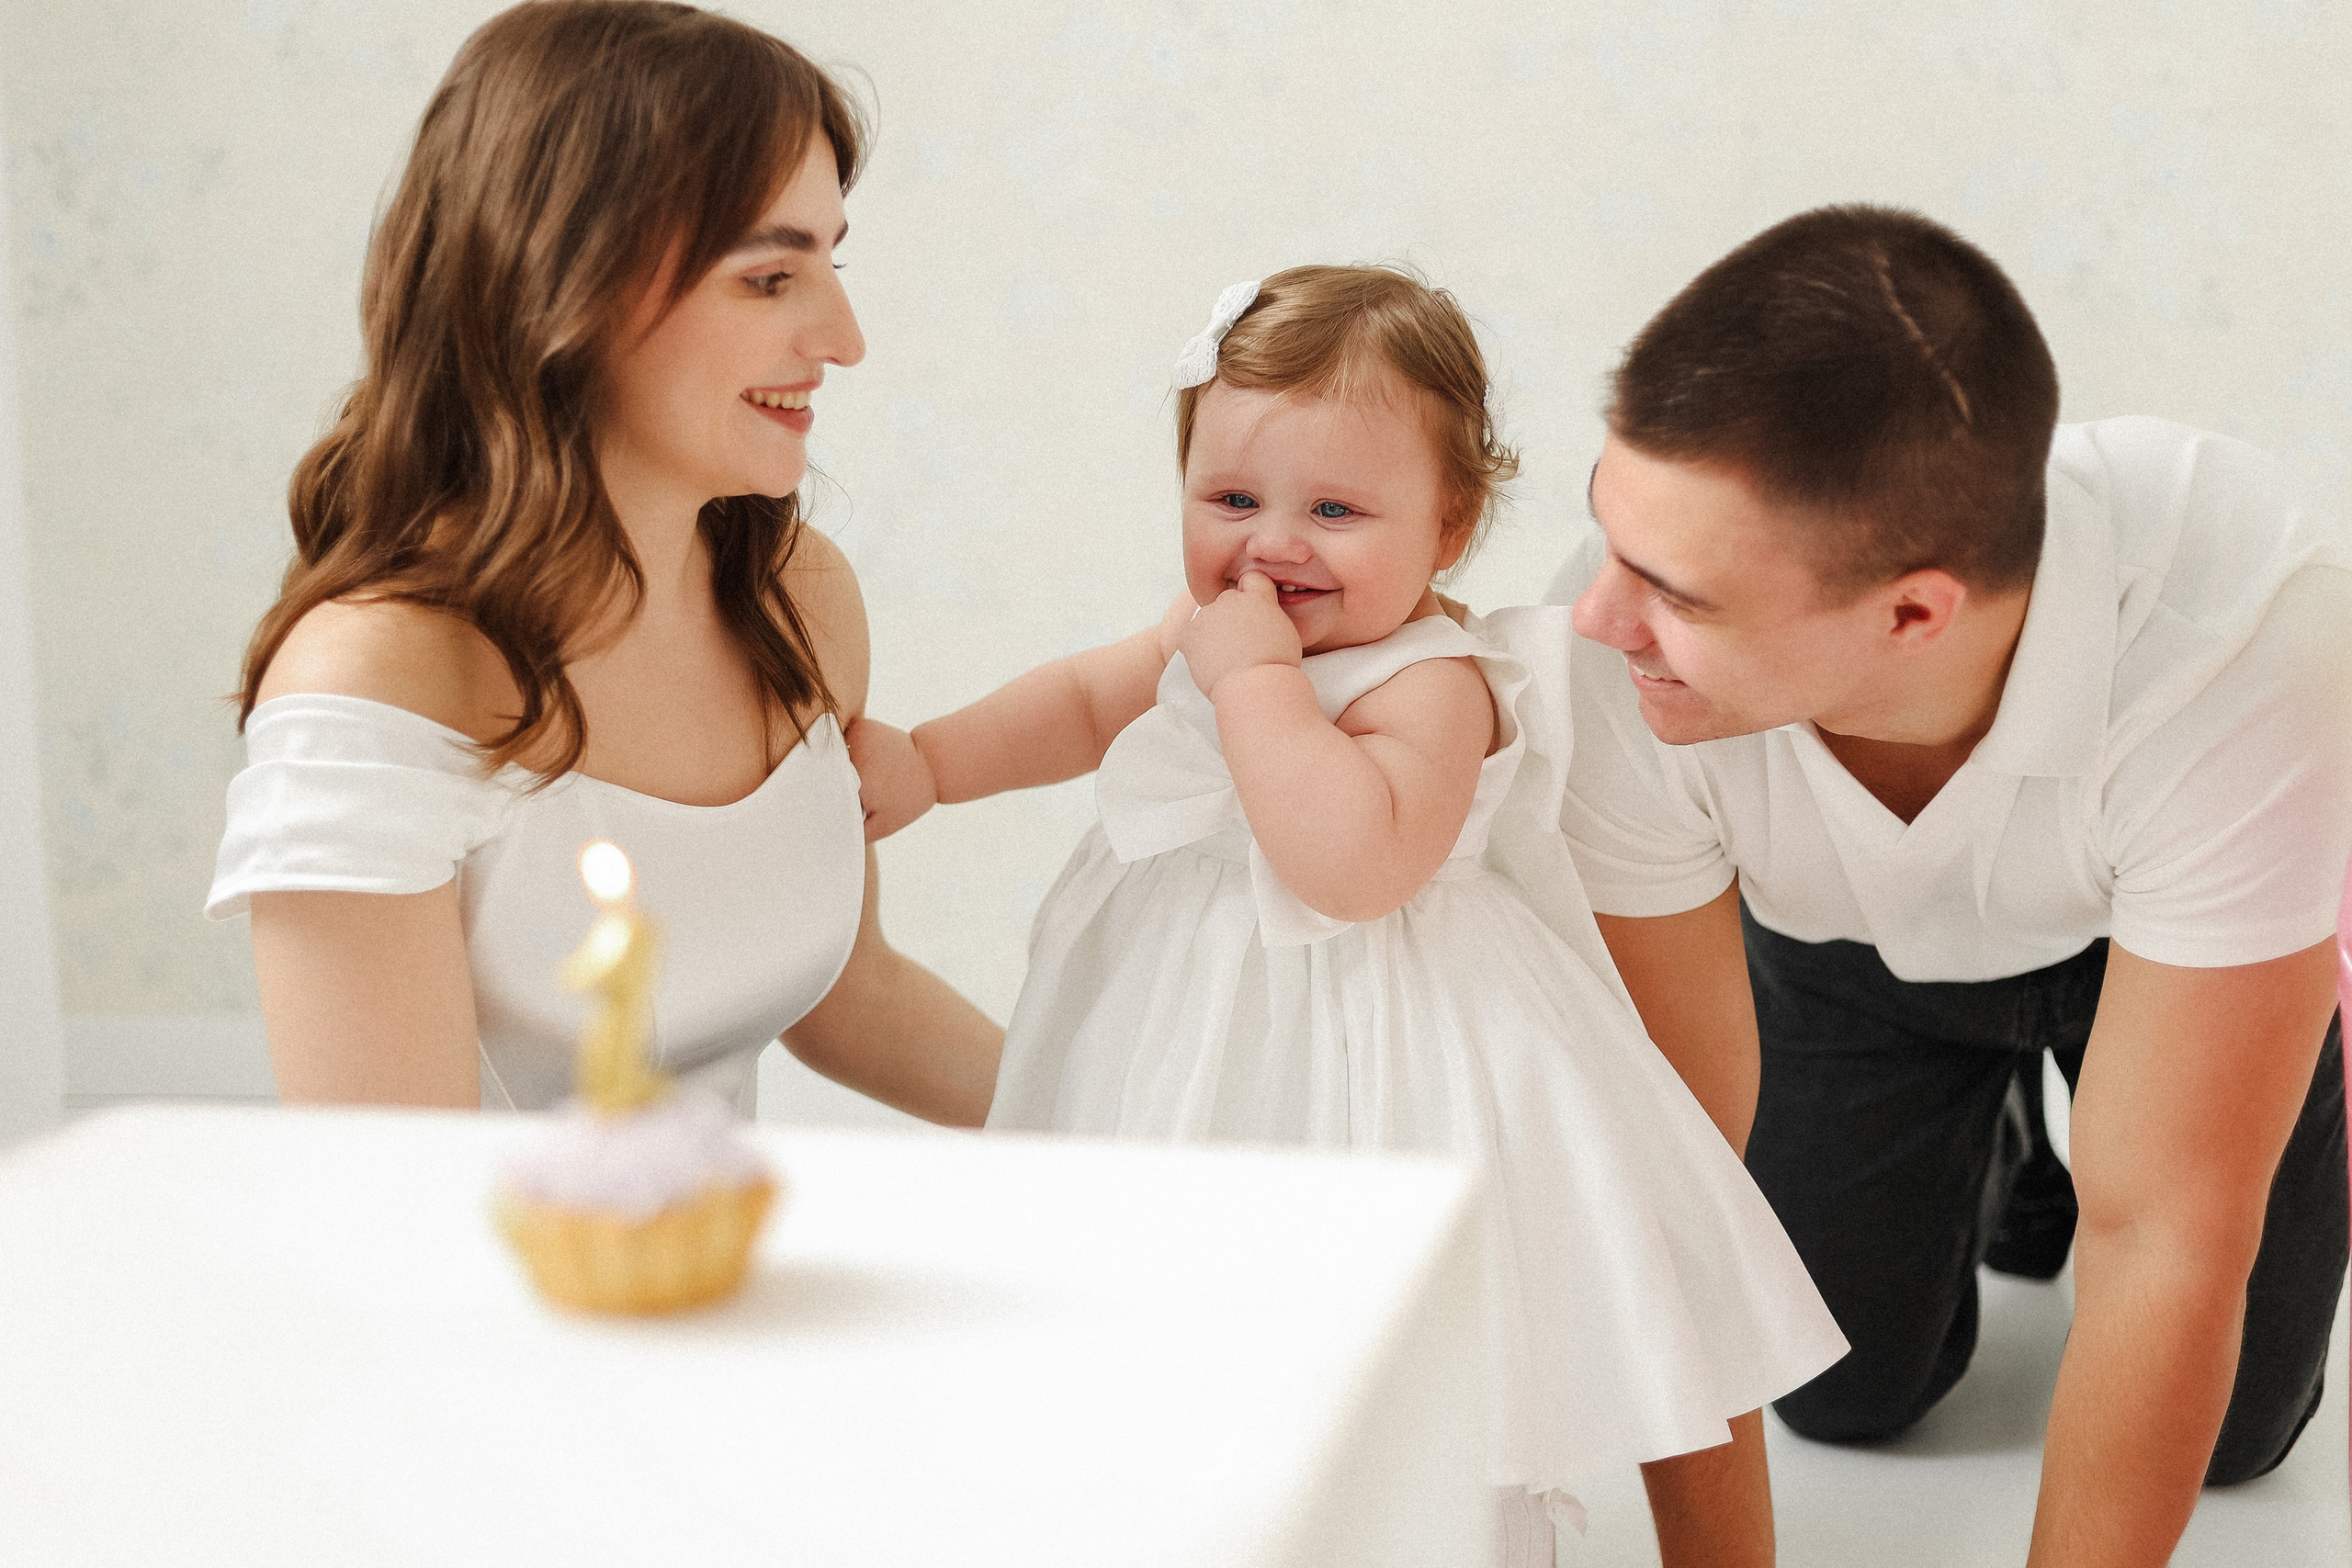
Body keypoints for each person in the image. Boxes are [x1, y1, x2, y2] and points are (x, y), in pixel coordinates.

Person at [851, 265, 1849, 1568]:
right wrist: (932, 762)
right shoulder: (1216, 624)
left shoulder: (1434, 681)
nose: (1273, 542)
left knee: (1382, 1339)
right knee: (1181, 1293)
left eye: (1334, 507)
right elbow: (1089, 699)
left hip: (1381, 1052)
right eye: (1231, 498)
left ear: (1450, 523)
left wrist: (1257, 686)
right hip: (1188, 1016)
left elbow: (1352, 865)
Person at [1552, 204, 2352, 1562]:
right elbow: (1680, 1182)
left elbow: (2166, 1232)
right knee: (1843, 1396)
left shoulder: (2249, 620)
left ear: (1914, 613)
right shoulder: (1615, 657)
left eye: (1677, 591)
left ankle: (2067, 1117)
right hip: (1844, 949)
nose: (1596, 615)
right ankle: (2001, 1148)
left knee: (2238, 1435)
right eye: (1611, 540)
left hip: (2151, 958)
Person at [205, 0, 1000, 1122]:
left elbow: (852, 997)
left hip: (714, 1267)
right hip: (516, 1287)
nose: (843, 338)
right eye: (771, 278)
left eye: (829, 261)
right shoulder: (375, 678)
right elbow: (384, 1202)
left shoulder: (799, 601)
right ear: (564, 286)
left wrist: (1169, 1146)